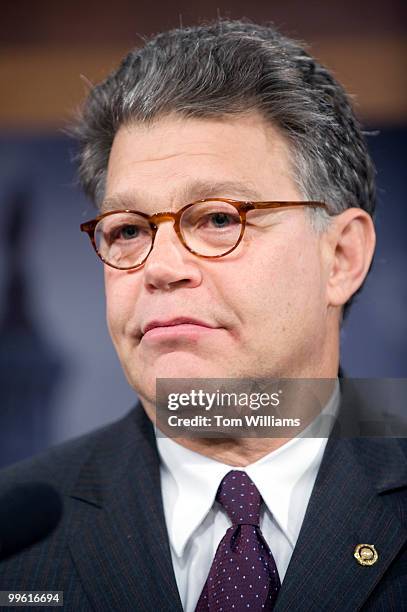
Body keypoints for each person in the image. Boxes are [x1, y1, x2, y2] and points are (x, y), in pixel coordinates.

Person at [0, 19, 406, 611]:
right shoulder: (17, 537)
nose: (160, 268)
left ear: (341, 258)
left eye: (219, 219)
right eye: (129, 229)